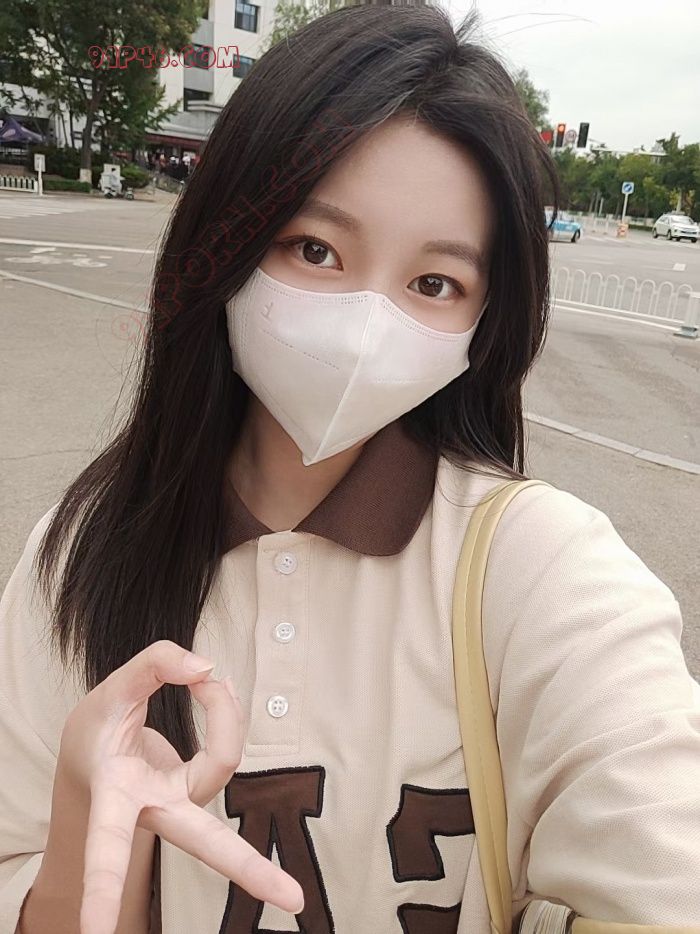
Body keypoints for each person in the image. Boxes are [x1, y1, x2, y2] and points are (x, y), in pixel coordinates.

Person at [1, 5, 699, 934]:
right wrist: (95, 826)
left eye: (434, 283)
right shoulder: (81, 559)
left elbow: (660, 856)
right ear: (227, 244)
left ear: (484, 324)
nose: (366, 327)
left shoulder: (542, 570)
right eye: (316, 249)